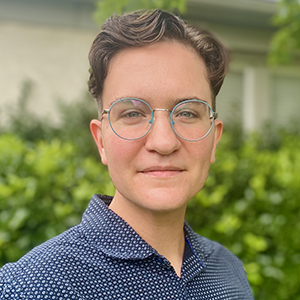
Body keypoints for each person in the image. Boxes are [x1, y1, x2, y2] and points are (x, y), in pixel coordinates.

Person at [0, 9, 254, 299]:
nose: (163, 142)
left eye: (186, 112)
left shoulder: (228, 270)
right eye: (132, 113)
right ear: (101, 141)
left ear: (214, 138)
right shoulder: (33, 286)